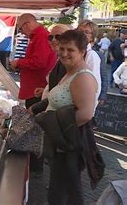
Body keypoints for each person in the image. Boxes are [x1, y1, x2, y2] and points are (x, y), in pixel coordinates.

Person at [41, 30, 99, 205]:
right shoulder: (70, 71)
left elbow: (86, 114)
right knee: (61, 188)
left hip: (69, 144)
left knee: (64, 191)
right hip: (61, 144)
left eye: (70, 50)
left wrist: (53, 128)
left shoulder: (83, 77)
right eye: (62, 48)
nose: (64, 53)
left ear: (82, 52)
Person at [9, 14, 57, 108]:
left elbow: (39, 62)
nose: (22, 33)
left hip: (36, 90)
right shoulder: (37, 36)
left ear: (27, 24)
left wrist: (18, 62)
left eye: (21, 29)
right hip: (35, 89)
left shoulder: (41, 36)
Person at [30, 24, 71, 113]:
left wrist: (34, 108)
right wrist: (45, 89)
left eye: (58, 36)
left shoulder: (69, 63)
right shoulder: (60, 60)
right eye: (50, 37)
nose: (53, 40)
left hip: (57, 116)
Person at [76, 20, 102, 102]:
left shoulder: (91, 55)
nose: (82, 34)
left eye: (86, 32)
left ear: (92, 37)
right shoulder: (74, 52)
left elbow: (94, 85)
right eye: (80, 31)